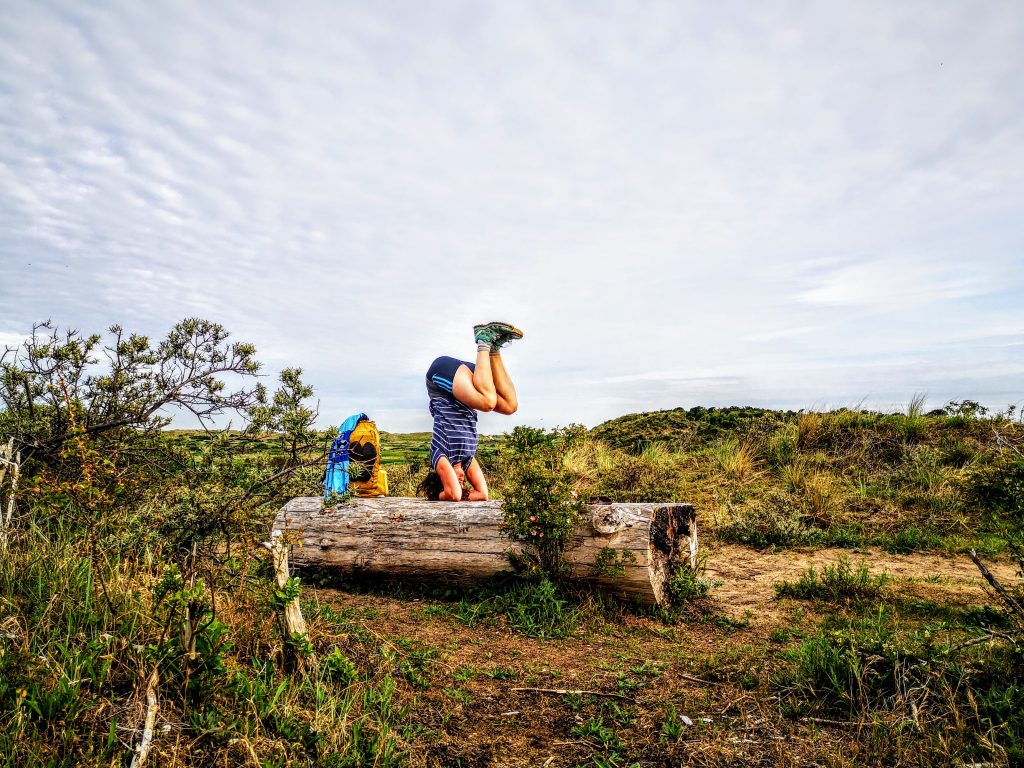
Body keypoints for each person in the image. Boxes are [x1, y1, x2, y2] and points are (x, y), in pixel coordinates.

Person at [417, 322, 523, 501]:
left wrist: (438, 495)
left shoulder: (440, 457)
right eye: (462, 483)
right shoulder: (467, 459)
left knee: (488, 402)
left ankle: (482, 340)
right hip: (463, 386)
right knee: (509, 405)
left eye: (456, 482)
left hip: (440, 378)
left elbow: (453, 495)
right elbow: (483, 494)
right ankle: (493, 348)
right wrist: (466, 492)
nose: (462, 480)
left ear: (443, 478)